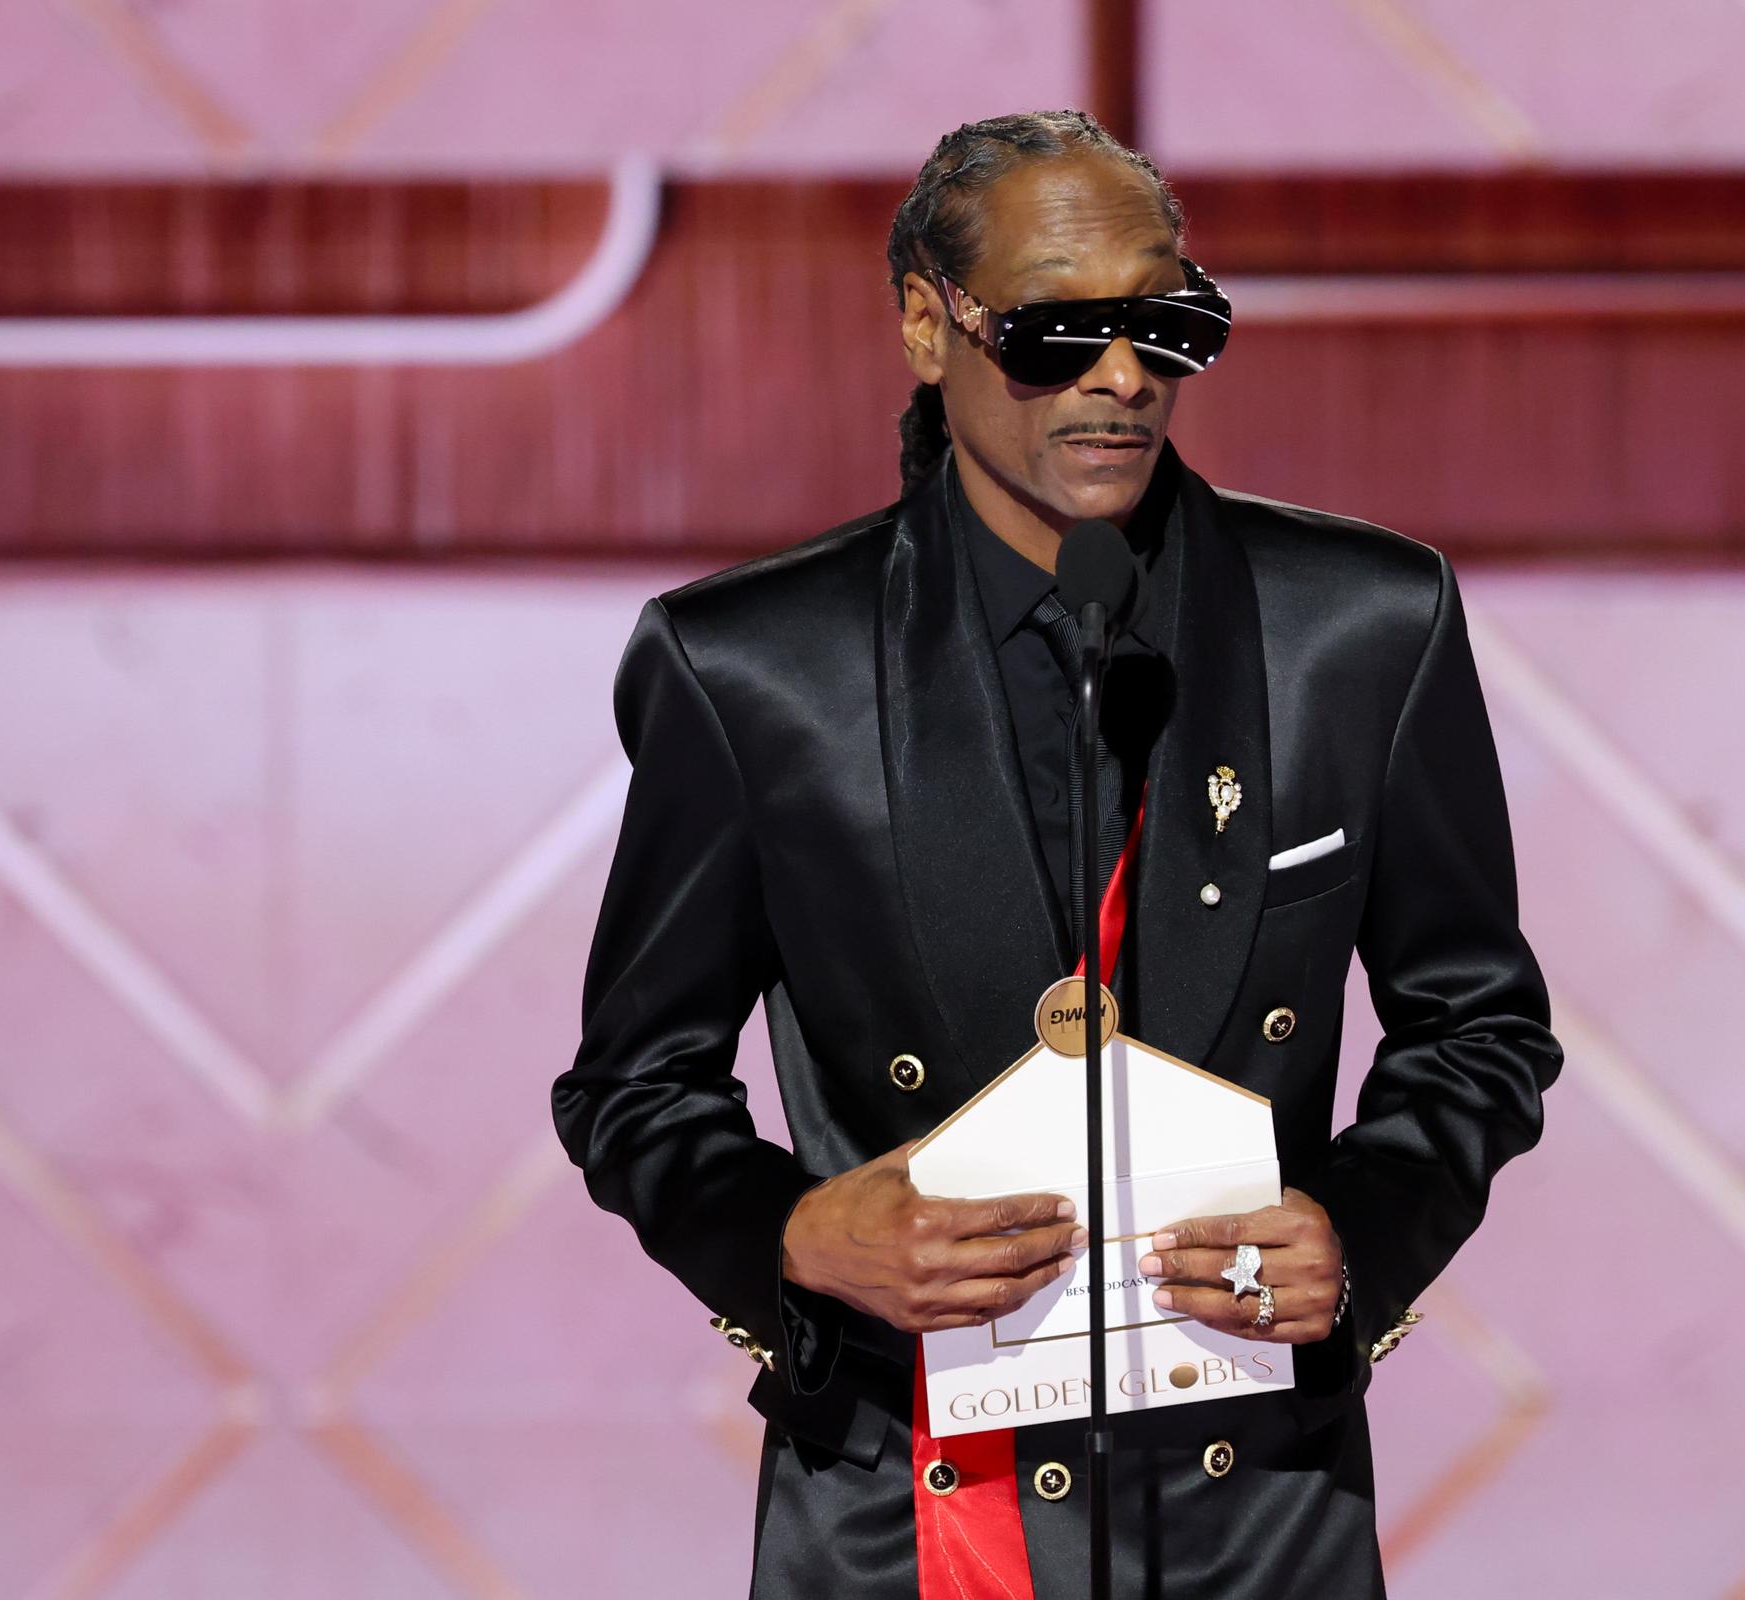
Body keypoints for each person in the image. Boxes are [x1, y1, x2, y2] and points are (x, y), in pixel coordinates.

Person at [551, 109, 1565, 1600]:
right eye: (1054, 331)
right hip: (906, 1504)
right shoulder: (754, 669)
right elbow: (632, 1087)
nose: (1119, 376)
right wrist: (797, 1236)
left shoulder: (1360, 626)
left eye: (1166, 323)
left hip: (1250, 1510)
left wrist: (1356, 1234)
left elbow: (1477, 1027)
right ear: (924, 319)